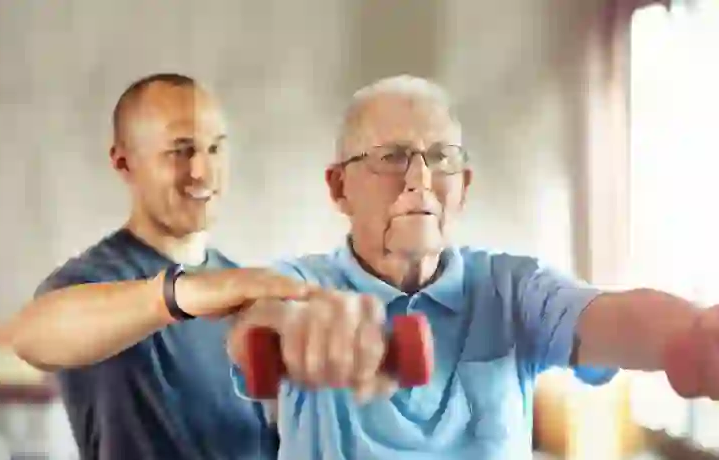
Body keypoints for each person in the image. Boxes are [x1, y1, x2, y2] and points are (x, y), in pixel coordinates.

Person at [225, 75, 719, 460]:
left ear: (463, 186)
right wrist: (298, 329)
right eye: (392, 157)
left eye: (441, 158)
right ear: (339, 187)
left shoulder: (514, 288)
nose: (420, 179)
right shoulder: (300, 284)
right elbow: (259, 320)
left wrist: (693, 334)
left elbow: (607, 317)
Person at [11, 73, 317, 460]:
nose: (202, 171)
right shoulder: (93, 280)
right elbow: (31, 336)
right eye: (180, 151)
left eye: (214, 148)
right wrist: (177, 295)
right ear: (124, 163)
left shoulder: (243, 291)